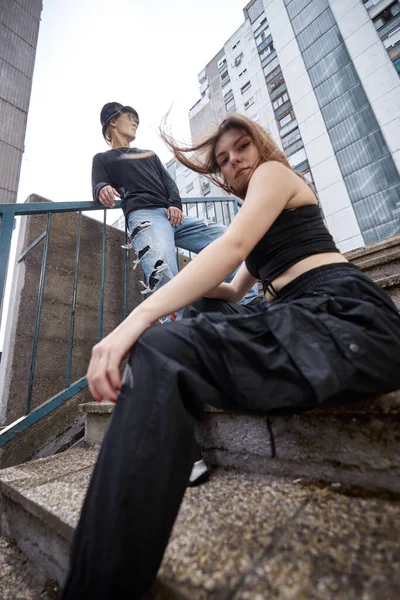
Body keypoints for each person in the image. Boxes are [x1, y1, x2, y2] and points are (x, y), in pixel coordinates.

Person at [62, 114, 400, 600]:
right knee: (194, 316)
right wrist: (184, 292)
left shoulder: (275, 175)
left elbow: (232, 246)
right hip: (300, 314)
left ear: (261, 147)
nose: (234, 161)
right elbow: (232, 286)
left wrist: (135, 322)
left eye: (242, 147)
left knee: (160, 344)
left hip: (345, 315)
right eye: (222, 159)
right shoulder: (259, 217)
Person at [92, 102, 258, 487]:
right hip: (145, 218)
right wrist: (102, 190)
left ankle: (250, 307)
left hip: (168, 214)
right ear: (112, 123)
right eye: (129, 117)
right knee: (166, 282)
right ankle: (173, 420)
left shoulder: (149, 154)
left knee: (227, 239)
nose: (135, 122)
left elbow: (168, 184)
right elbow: (98, 184)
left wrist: (176, 203)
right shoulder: (103, 157)